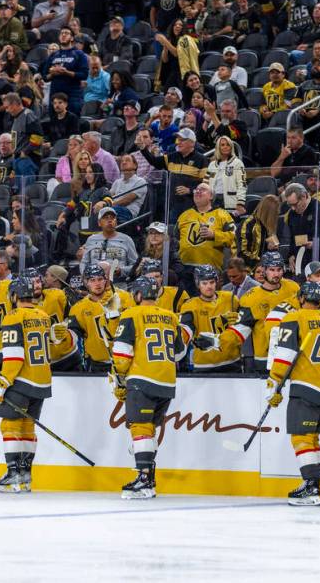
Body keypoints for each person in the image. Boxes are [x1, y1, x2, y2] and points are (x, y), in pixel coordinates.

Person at [264, 280, 320, 506]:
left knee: (302, 437)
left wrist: (273, 384)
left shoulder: (294, 318)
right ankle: (313, 484)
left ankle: (311, 488)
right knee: (312, 437)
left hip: (306, 387)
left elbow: (283, 355)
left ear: (301, 297)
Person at [111, 275, 188, 499]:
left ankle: (144, 479)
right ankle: (149, 478)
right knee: (148, 430)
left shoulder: (131, 314)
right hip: (167, 381)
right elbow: (180, 352)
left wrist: (119, 377)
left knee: (140, 427)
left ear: (137, 294)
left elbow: (122, 352)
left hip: (142, 378)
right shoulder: (170, 317)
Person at [0, 275, 53, 493]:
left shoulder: (13, 316)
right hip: (42, 381)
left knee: (10, 426)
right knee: (27, 428)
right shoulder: (43, 315)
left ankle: (13, 474)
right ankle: (25, 475)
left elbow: (14, 355)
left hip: (21, 381)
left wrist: (2, 382)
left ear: (14, 296)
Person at [228, 251, 301, 367]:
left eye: (279, 269)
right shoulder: (251, 297)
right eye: (272, 270)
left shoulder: (293, 288)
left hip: (291, 353)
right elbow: (240, 330)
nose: (276, 274)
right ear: (264, 270)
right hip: (264, 357)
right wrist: (219, 341)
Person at [178, 265, 243, 372]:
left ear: (216, 282)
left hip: (232, 362)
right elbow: (186, 332)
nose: (209, 286)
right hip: (203, 364)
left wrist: (239, 321)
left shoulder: (231, 299)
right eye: (204, 283)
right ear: (197, 284)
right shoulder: (189, 306)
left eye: (212, 282)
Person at [177, 182, 236, 279]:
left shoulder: (222, 215)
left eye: (203, 189)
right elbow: (175, 240)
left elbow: (233, 238)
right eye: (196, 189)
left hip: (210, 270)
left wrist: (214, 235)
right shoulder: (184, 215)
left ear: (211, 196)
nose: (198, 191)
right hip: (185, 269)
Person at [282, 182, 320, 273]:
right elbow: (293, 238)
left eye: (295, 204)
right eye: (290, 205)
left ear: (304, 196)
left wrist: (316, 244)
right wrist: (291, 255)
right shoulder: (292, 214)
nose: (293, 208)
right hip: (300, 265)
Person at [79, 207, 139, 279]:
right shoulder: (91, 239)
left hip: (118, 283)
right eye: (106, 218)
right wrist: (85, 277)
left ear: (116, 222)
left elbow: (136, 266)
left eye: (112, 218)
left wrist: (121, 270)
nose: (110, 220)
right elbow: (84, 263)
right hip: (95, 283)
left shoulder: (127, 240)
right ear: (99, 223)